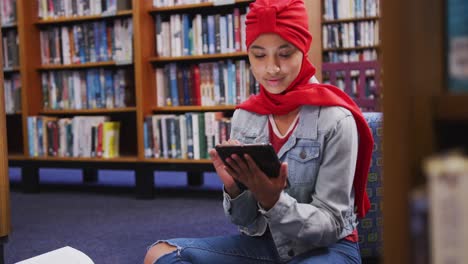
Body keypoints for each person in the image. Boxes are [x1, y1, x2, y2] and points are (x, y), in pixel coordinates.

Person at [144, 0, 374, 263]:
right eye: (259, 54)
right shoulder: (246, 116)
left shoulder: (336, 118)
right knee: (159, 255)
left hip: (326, 249)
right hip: (266, 245)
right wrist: (235, 189)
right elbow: (245, 222)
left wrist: (274, 202)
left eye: (285, 54)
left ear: (303, 49)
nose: (271, 68)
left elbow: (331, 224)